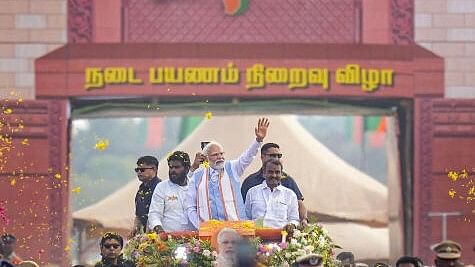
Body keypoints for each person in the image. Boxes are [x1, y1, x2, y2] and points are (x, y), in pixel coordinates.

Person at [186, 118, 269, 229]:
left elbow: (247, 157)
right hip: (209, 233)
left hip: (236, 231)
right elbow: (190, 207)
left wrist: (258, 140)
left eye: (221, 154)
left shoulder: (232, 168)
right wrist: (200, 227)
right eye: (215, 155)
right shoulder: (197, 176)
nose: (220, 157)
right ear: (206, 158)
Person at [241, 142, 308, 225]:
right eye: (273, 155)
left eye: (279, 156)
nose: (276, 158)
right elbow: (245, 214)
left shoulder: (288, 184)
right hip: (256, 235)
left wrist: (304, 220)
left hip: (281, 235)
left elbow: (298, 208)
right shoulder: (250, 184)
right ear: (262, 157)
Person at [148, 151, 195, 232]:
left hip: (194, 239)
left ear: (187, 169)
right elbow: (154, 214)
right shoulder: (162, 187)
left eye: (177, 167)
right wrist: (160, 232)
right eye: (171, 167)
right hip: (168, 240)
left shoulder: (195, 186)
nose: (173, 170)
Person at [245, 158, 299, 228]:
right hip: (256, 237)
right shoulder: (252, 192)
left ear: (281, 174)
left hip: (280, 237)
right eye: (270, 172)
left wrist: (291, 225)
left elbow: (294, 219)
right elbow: (246, 217)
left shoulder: (290, 195)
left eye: (277, 172)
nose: (274, 175)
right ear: (264, 173)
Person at [130, 156, 162, 237]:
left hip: (158, 233)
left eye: (142, 170)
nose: (139, 172)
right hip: (143, 235)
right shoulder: (141, 189)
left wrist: (148, 235)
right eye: (137, 170)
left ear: (154, 169)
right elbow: (138, 215)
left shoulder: (160, 188)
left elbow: (156, 215)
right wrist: (134, 229)